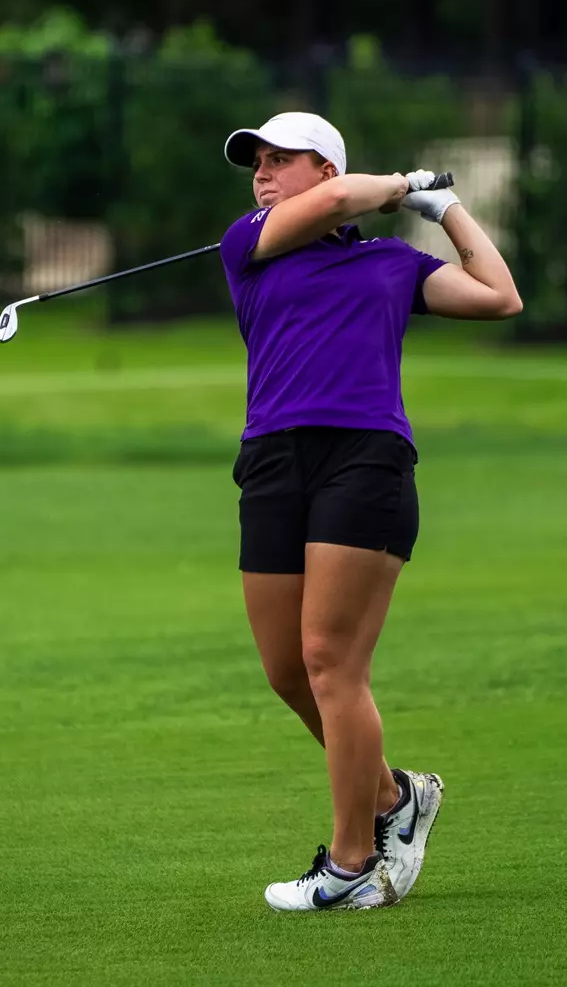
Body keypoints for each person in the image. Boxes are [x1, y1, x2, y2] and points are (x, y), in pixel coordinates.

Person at [219, 112, 523, 912]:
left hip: (365, 460)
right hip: (273, 463)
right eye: (256, 161)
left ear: (325, 169)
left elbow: (500, 297)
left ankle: (354, 865)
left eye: (282, 160)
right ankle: (395, 797)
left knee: (329, 661)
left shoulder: (390, 264)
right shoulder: (246, 244)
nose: (261, 172)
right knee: (287, 671)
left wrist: (442, 211)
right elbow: (329, 208)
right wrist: (395, 186)